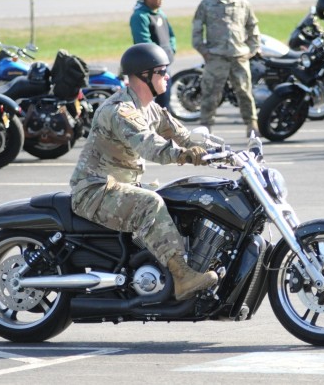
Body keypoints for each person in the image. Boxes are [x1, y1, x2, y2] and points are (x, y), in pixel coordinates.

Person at [69, 43, 218, 301]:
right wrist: (184, 155)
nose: (168, 77)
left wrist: (223, 151)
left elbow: (182, 135)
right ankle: (182, 277)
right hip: (95, 190)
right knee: (151, 203)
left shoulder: (150, 108)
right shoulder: (120, 111)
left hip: (120, 187)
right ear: (143, 76)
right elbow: (150, 145)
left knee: (181, 198)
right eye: (162, 72)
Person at [192, 0, 260, 137]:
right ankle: (205, 127)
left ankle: (252, 125)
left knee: (244, 93)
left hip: (238, 56)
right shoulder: (207, 4)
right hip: (216, 57)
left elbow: (253, 26)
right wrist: (203, 51)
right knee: (210, 93)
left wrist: (252, 49)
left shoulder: (242, 3)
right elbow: (197, 29)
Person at [129, 0, 176, 109]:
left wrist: (172, 49)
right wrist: (160, 58)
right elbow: (144, 42)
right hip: (152, 69)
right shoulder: (140, 16)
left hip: (165, 64)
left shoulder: (161, 14)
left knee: (165, 102)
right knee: (154, 106)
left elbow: (171, 35)